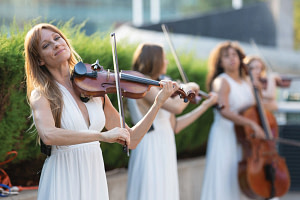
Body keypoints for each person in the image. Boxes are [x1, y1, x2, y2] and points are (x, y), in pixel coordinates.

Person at [24, 23, 180, 200]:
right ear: (39, 60)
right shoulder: (42, 94)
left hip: (93, 174)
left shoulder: (94, 89)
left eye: (57, 38)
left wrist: (158, 103)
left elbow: (132, 140)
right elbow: (49, 135)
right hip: (63, 175)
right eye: (46, 45)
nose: (56, 44)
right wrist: (101, 136)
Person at [126, 43, 218, 200]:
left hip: (165, 144)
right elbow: (176, 107)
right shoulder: (143, 84)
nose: (167, 62)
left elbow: (175, 126)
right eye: (164, 58)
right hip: (149, 145)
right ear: (154, 60)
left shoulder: (159, 84)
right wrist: (188, 87)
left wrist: (205, 106)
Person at [200, 41, 267, 200]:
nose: (231, 59)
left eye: (234, 55)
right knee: (225, 178)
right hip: (225, 134)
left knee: (239, 179)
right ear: (220, 62)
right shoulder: (222, 81)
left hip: (244, 138)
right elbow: (224, 111)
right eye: (226, 56)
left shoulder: (246, 82)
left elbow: (256, 109)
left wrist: (259, 90)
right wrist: (250, 124)